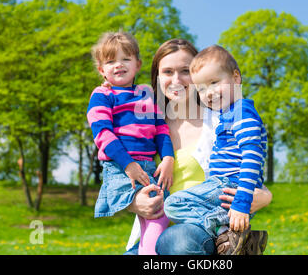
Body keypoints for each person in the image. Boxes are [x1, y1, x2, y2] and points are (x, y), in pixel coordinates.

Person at [125, 39, 272, 255]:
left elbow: (249, 162)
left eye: (185, 70)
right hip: (153, 232)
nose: (176, 79)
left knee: (176, 241)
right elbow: (121, 183)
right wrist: (134, 203)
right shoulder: (146, 128)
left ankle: (228, 243)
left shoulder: (219, 120)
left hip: (197, 233)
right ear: (157, 77)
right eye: (167, 72)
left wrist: (266, 196)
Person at [163, 45, 268, 255]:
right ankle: (229, 233)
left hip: (228, 186)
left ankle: (224, 230)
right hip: (221, 189)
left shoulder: (240, 114)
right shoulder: (229, 114)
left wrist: (242, 203)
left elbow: (252, 158)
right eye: (201, 88)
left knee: (174, 204)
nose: (208, 93)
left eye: (214, 83)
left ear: (236, 78)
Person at [87, 31, 175, 255]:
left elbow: (161, 129)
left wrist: (167, 158)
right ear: (101, 70)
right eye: (110, 61)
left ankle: (144, 252)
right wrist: (128, 164)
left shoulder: (146, 96)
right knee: (159, 211)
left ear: (137, 64)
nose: (118, 65)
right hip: (120, 168)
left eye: (125, 59)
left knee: (157, 214)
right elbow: (102, 134)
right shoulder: (102, 95)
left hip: (147, 166)